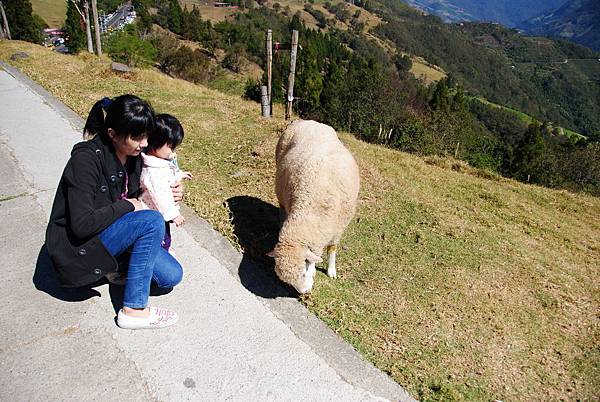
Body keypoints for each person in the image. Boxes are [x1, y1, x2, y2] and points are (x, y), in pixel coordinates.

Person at [45, 95, 184, 330]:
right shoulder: (85, 160)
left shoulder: (134, 157)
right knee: (150, 221)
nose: (144, 143)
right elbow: (81, 224)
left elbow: (149, 189)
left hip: (111, 232)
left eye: (147, 135)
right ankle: (134, 310)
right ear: (112, 134)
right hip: (80, 248)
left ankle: (114, 268)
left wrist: (174, 192)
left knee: (171, 276)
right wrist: (129, 205)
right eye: (137, 137)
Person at [139, 114, 193, 253]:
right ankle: (161, 257)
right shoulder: (153, 171)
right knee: (161, 238)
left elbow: (170, 172)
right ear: (156, 141)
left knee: (164, 236)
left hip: (160, 211)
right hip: (155, 211)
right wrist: (173, 214)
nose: (172, 150)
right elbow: (159, 195)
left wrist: (180, 174)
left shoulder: (159, 161)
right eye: (170, 146)